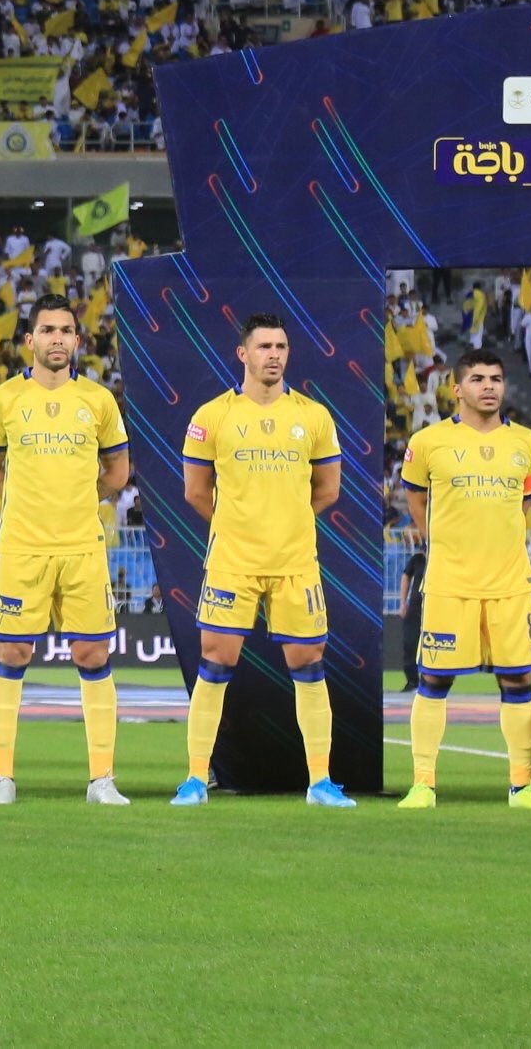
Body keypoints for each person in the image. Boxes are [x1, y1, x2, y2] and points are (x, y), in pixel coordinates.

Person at [174, 313, 355, 807]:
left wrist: (285, 522)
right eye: (264, 346)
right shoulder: (212, 415)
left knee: (309, 663)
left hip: (296, 562)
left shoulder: (314, 416)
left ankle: (320, 782)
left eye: (280, 346)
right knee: (216, 661)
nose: (273, 354)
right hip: (232, 561)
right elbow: (194, 492)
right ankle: (194, 779)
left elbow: (328, 490)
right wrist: (240, 525)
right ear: (243, 354)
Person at [0, 295, 133, 805]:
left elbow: (119, 471)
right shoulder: (2, 399)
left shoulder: (99, 401)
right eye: (48, 330)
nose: (58, 338)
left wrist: (81, 500)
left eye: (67, 330)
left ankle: (101, 779)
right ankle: (1, 777)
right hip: (22, 547)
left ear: (78, 341)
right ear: (30, 340)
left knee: (92, 653)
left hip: (83, 546)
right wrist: (26, 504)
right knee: (12, 652)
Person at [398, 350, 531, 810]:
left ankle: (522, 786)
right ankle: (423, 784)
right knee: (434, 678)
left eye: (495, 378)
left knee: (518, 680)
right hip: (451, 583)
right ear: (457, 388)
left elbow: (525, 501)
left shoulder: (526, 443)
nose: (488, 386)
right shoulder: (428, 441)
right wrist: (437, 541)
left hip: (510, 583)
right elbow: (414, 495)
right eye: (477, 379)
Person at [399, 548, 427, 693]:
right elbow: (405, 576)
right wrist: (403, 602)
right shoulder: (418, 559)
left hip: (434, 610)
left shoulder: (441, 558)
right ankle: (412, 680)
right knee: (410, 644)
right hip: (415, 609)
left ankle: (433, 682)